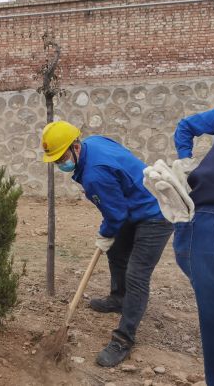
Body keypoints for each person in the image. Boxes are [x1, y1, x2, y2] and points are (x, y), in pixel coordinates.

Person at [41, 121, 174, 367]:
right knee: (116, 250)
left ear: (76, 147)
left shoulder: (94, 174)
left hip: (156, 213)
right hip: (134, 204)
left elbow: (115, 215)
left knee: (137, 275)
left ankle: (123, 339)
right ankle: (118, 298)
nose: (61, 164)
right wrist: (110, 235)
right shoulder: (95, 143)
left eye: (62, 158)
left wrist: (104, 233)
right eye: (56, 160)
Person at [144, 106, 214, 386]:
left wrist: (185, 161)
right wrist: (185, 159)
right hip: (203, 224)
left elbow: (185, 126)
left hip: (200, 225)